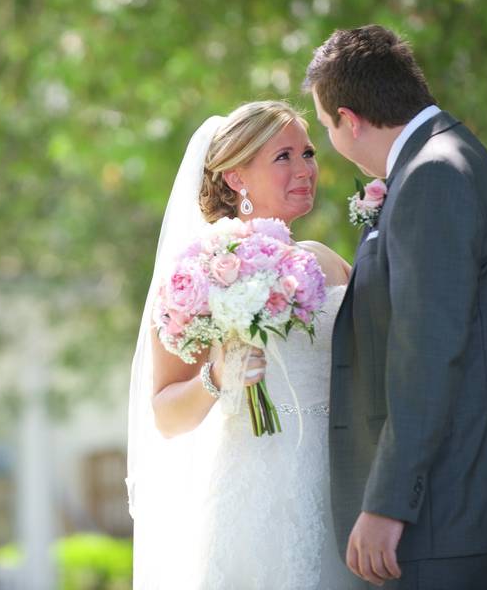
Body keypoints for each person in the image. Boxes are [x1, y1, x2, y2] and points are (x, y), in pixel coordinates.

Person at [305, 24, 487, 589]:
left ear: (350, 119)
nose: (332, 139)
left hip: (443, 511)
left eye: (327, 125)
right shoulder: (447, 158)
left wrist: (387, 505)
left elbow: (427, 354)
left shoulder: (432, 176)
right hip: (457, 507)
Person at [127, 100, 363, 588]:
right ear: (236, 178)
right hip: (256, 496)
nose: (305, 170)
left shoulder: (329, 262)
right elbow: (167, 416)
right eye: (284, 157)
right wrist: (217, 378)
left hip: (345, 483)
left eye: (309, 152)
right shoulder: (199, 273)